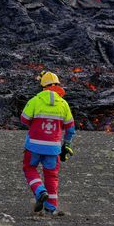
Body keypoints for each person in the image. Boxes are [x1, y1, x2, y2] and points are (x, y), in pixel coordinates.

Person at [20, 71, 76, 215]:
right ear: (57, 85)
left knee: (29, 168)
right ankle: (51, 208)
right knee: (51, 176)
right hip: (53, 148)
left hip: (33, 145)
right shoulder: (63, 104)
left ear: (43, 86)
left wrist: (36, 123)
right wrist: (67, 145)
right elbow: (70, 128)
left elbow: (24, 119)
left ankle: (39, 191)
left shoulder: (35, 100)